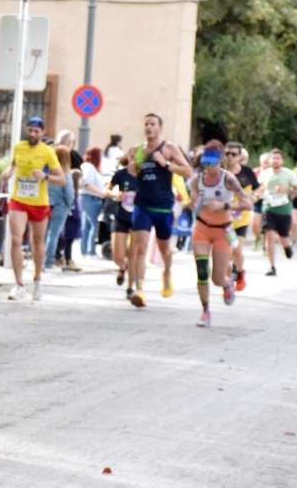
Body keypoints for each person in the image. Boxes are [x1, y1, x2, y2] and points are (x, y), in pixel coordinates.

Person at [127, 113, 193, 307]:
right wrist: (131, 168)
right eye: (146, 124)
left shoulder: (169, 148)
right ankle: (140, 289)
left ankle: (167, 273)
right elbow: (128, 170)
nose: (148, 127)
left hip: (163, 206)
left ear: (159, 128)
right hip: (142, 204)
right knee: (139, 246)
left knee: (165, 249)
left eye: (152, 124)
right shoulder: (137, 150)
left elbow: (188, 171)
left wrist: (165, 164)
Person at [187, 141, 249, 328]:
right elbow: (193, 200)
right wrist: (193, 201)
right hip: (202, 228)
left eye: (212, 163)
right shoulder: (198, 180)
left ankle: (227, 283)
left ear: (220, 161)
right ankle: (205, 311)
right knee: (202, 272)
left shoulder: (228, 179)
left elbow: (247, 204)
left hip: (223, 230)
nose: (208, 167)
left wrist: (225, 205)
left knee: (217, 278)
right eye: (205, 163)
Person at [3, 117, 66, 302]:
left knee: (37, 242)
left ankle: (37, 280)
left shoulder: (47, 152)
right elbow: (13, 165)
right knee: (15, 240)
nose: (32, 134)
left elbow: (61, 179)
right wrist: (8, 172)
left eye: (36, 131)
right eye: (30, 130)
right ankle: (19, 285)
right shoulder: (19, 147)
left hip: (39, 202)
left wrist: (45, 176)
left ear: (42, 133)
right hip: (18, 199)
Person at [257, 148, 297, 275]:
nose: (275, 160)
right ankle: (272, 266)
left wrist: (286, 191)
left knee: (283, 236)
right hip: (268, 208)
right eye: (273, 158)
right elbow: (260, 189)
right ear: (269, 160)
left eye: (278, 158)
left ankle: (287, 247)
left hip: (284, 210)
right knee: (269, 235)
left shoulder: (289, 174)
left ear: (282, 160)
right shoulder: (264, 174)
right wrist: (255, 195)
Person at [223, 142, 260, 291]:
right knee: (226, 253)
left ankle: (240, 272)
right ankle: (228, 284)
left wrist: (255, 196)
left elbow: (259, 188)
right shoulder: (219, 172)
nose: (230, 157)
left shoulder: (247, 172)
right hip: (224, 219)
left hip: (241, 219)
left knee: (236, 250)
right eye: (227, 154)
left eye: (233, 154)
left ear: (240, 157)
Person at [107, 149, 139, 294]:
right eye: (132, 156)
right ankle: (122, 266)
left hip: (138, 218)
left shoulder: (146, 176)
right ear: (129, 157)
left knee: (133, 254)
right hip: (120, 216)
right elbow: (107, 189)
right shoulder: (121, 174)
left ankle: (130, 287)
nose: (135, 159)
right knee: (117, 256)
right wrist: (115, 194)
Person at [43, 147, 76, 271]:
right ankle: (48, 262)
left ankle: (40, 261)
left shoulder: (48, 172)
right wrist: (69, 205)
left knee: (42, 235)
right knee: (53, 235)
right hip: (60, 206)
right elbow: (69, 193)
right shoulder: (65, 174)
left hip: (46, 204)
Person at [79, 147, 107, 258]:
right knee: (95, 225)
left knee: (87, 226)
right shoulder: (89, 167)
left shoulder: (91, 168)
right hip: (90, 198)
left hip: (90, 198)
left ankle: (85, 250)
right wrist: (101, 193)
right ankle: (91, 251)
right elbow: (86, 183)